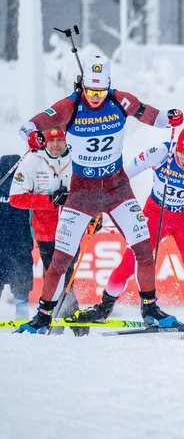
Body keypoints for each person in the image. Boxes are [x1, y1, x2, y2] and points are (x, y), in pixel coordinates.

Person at [14, 54, 184, 333]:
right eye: (90, 91)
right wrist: (32, 135)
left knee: (143, 248)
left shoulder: (120, 100)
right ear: (83, 86)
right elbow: (30, 126)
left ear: (108, 86)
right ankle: (44, 315)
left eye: (100, 91)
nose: (95, 97)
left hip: (117, 187)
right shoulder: (70, 105)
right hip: (82, 191)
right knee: (60, 259)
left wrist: (171, 117)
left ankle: (150, 308)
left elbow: (153, 116)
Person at [69, 126, 184, 328]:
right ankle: (104, 308)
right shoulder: (162, 153)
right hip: (155, 214)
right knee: (127, 263)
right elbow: (123, 173)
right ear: (176, 148)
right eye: (181, 155)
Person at [8, 128, 88, 336]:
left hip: (72, 227)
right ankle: (71, 321)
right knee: (57, 273)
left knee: (64, 273)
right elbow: (16, 198)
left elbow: (89, 193)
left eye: (60, 140)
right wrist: (50, 200)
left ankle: (60, 319)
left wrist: (93, 218)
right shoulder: (32, 161)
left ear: (65, 141)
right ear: (45, 142)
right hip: (45, 231)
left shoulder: (77, 158)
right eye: (51, 141)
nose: (55, 145)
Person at [0, 154, 34, 321]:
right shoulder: (25, 185)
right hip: (19, 245)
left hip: (11, 244)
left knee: (21, 288)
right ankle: (22, 321)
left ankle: (22, 318)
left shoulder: (25, 185)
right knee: (21, 289)